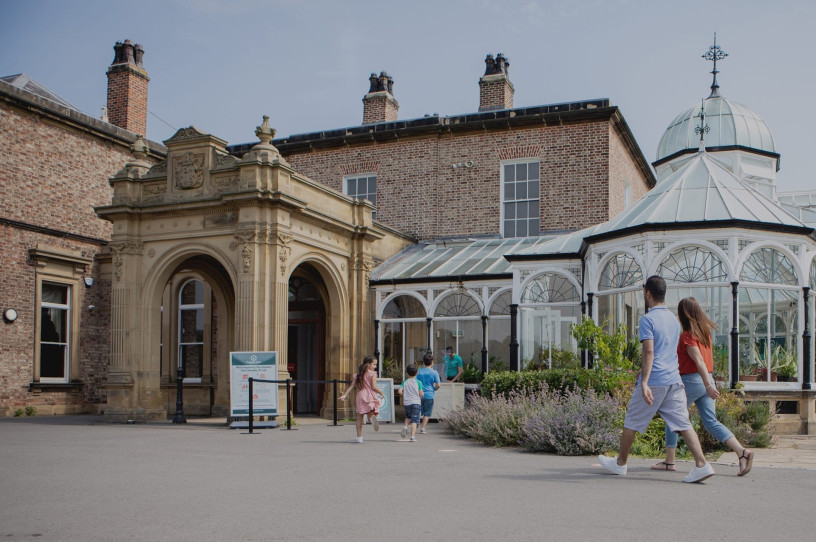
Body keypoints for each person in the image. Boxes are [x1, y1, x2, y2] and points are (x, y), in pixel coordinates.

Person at [597, 275, 716, 483]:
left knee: (631, 420)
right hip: (674, 379)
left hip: (655, 380)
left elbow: (650, 352)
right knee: (682, 422)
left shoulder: (648, 319)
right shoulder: (673, 319)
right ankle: (702, 464)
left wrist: (644, 380)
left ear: (648, 294)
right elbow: (664, 351)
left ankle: (620, 464)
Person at [650, 297, 753, 476]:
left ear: (683, 315)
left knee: (672, 416)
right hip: (706, 381)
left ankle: (669, 461)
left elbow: (698, 361)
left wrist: (707, 385)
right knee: (711, 422)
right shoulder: (705, 335)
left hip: (693, 381)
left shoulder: (687, 336)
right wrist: (710, 384)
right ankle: (742, 452)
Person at [340, 355, 386, 443]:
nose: (375, 367)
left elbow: (352, 385)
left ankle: (359, 437)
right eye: (374, 365)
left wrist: (345, 395)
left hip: (360, 394)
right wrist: (381, 392)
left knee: (359, 417)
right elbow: (374, 387)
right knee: (371, 412)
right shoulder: (372, 374)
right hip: (369, 395)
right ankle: (371, 419)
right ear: (368, 364)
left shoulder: (359, 374)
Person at [416, 353, 441, 433]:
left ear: (423, 362)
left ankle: (416, 421)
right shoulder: (434, 373)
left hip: (419, 394)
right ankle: (423, 428)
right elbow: (438, 385)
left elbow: (415, 382)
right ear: (432, 362)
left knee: (418, 410)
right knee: (427, 413)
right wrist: (433, 389)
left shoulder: (419, 371)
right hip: (429, 394)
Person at [398, 364, 424, 441]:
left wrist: (404, 395)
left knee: (408, 417)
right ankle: (412, 436)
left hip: (407, 402)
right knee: (414, 420)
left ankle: (405, 427)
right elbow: (421, 394)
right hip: (416, 402)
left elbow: (399, 391)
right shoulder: (419, 382)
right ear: (417, 373)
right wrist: (422, 395)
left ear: (407, 374)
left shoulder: (405, 382)